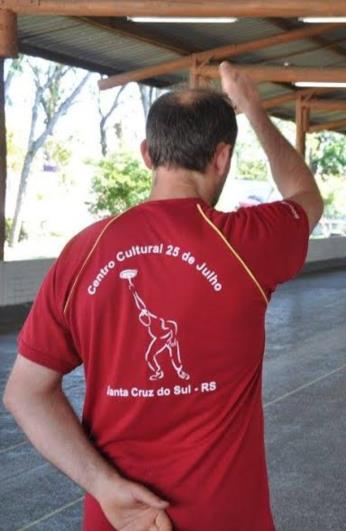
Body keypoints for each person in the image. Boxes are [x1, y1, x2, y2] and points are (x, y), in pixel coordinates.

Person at [2, 62, 323, 530]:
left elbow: (25, 393)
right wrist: (254, 108)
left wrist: (104, 486)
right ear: (222, 159)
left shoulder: (83, 253)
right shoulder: (249, 243)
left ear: (147, 154)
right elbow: (306, 196)